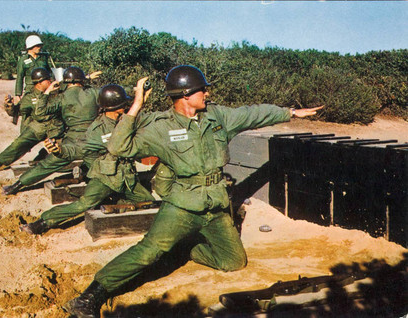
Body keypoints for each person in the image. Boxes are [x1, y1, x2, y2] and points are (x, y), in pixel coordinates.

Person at [63, 65, 323, 317]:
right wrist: (136, 105)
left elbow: (252, 113)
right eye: (202, 90)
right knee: (148, 253)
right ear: (185, 95)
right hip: (182, 204)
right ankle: (89, 297)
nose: (207, 94)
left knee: (233, 261)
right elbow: (119, 146)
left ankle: (186, 246)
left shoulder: (216, 117)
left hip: (215, 205)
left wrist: (289, 112)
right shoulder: (160, 126)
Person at [19, 83, 155, 235]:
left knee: (148, 202)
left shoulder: (123, 121)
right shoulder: (97, 130)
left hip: (127, 178)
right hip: (105, 178)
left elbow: (137, 118)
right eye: (123, 105)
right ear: (113, 107)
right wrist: (61, 150)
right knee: (84, 204)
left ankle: (118, 204)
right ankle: (42, 222)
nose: (125, 108)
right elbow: (79, 148)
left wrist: (142, 99)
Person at [2, 66, 101, 195]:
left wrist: (47, 93)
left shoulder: (62, 97)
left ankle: (15, 186)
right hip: (93, 143)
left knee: (46, 165)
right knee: (98, 168)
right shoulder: (94, 92)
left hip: (70, 144)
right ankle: (82, 175)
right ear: (82, 80)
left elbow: (40, 112)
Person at [0, 67, 64, 173]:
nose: (50, 81)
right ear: (39, 83)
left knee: (64, 145)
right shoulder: (29, 98)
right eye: (47, 79)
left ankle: (41, 157)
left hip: (56, 127)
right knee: (19, 144)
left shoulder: (56, 91)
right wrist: (9, 106)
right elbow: (16, 112)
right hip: (38, 127)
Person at [14, 34, 51, 106]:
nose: (40, 48)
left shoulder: (43, 59)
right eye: (38, 46)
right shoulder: (23, 60)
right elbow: (20, 77)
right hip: (30, 90)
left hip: (44, 89)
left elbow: (50, 73)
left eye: (40, 45)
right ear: (31, 46)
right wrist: (18, 94)